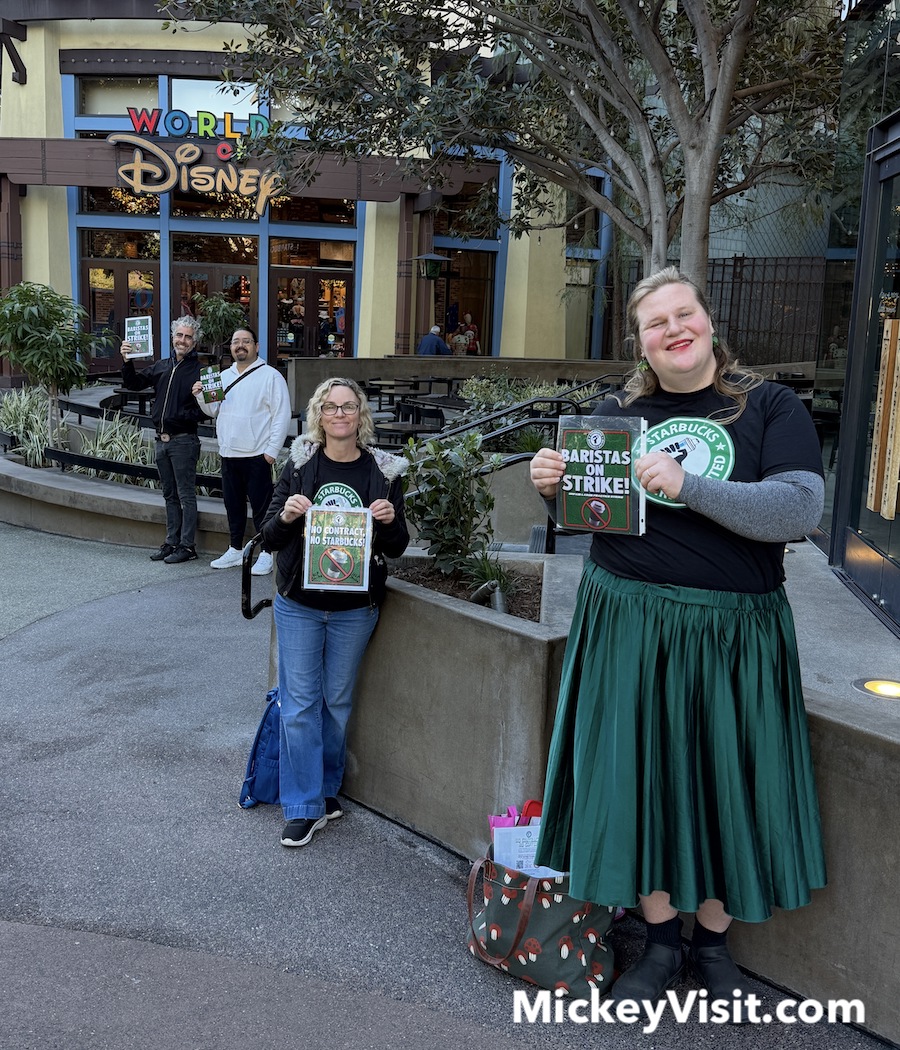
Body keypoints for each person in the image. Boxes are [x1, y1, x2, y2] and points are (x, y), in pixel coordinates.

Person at [530, 267, 826, 1007]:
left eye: (682, 313)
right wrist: (555, 487)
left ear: (708, 320)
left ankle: (715, 942)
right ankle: (661, 938)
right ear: (640, 342)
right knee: (644, 780)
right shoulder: (617, 413)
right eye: (655, 323)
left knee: (731, 782)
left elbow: (796, 511)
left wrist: (688, 485)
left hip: (735, 637)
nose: (673, 329)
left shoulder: (768, 405)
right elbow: (586, 517)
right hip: (627, 621)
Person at [260, 377, 409, 847]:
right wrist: (286, 515)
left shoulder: (383, 472)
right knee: (300, 704)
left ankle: (325, 793)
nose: (340, 414)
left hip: (353, 609)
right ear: (318, 415)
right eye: (331, 407)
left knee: (335, 702)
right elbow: (268, 536)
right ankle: (302, 805)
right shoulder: (300, 465)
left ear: (360, 414)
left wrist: (387, 523)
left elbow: (398, 546)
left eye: (348, 407)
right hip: (300, 604)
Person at [193, 327, 291, 576]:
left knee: (263, 508)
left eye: (246, 341)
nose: (240, 346)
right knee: (233, 505)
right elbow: (212, 410)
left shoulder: (270, 376)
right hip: (229, 453)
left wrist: (271, 452)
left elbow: (281, 415)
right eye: (236, 342)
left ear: (256, 347)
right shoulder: (221, 376)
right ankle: (235, 548)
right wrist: (200, 397)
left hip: (257, 454)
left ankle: (267, 552)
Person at [120, 315, 203, 564]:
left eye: (188, 336)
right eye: (179, 335)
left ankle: (187, 547)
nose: (183, 340)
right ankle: (171, 542)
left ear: (194, 341)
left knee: (186, 495)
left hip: (184, 440)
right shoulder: (161, 365)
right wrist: (127, 361)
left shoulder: (202, 371)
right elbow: (134, 384)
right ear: (172, 337)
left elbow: (208, 409)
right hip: (161, 441)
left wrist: (181, 416)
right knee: (169, 494)